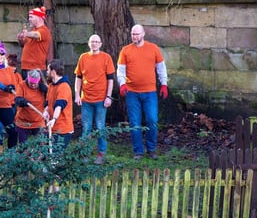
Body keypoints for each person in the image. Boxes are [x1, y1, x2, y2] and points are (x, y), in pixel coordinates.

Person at [117, 24, 168, 160]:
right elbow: (121, 70)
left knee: (152, 120)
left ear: (143, 34)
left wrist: (164, 84)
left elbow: (161, 68)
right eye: (133, 34)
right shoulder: (125, 51)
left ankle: (151, 148)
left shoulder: (153, 49)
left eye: (137, 34)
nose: (135, 36)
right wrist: (122, 84)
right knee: (134, 123)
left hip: (150, 92)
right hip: (132, 93)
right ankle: (138, 151)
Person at [74, 35, 115, 165]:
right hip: (86, 99)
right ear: (88, 43)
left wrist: (108, 96)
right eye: (92, 41)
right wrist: (77, 94)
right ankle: (84, 153)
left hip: (101, 100)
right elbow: (78, 77)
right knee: (86, 128)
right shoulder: (83, 57)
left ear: (101, 44)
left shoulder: (106, 58)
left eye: (97, 42)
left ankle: (101, 153)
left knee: (100, 127)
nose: (94, 44)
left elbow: (110, 79)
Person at [42, 59, 74, 151]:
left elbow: (59, 106)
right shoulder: (51, 85)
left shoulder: (64, 87)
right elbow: (48, 102)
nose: (46, 72)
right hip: (51, 127)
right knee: (43, 153)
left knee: (55, 156)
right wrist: (45, 111)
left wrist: (54, 119)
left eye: (48, 70)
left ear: (53, 71)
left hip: (62, 129)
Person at [17, 6, 51, 79]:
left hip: (36, 69)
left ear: (39, 17)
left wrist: (26, 34)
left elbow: (36, 35)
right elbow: (23, 45)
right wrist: (20, 39)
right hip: (25, 67)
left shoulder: (44, 30)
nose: (29, 19)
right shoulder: (32, 30)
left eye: (31, 17)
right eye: (29, 17)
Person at [14, 69, 47, 143]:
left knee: (41, 145)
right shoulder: (22, 85)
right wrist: (21, 101)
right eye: (31, 83)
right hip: (23, 121)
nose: (33, 85)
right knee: (23, 146)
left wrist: (46, 91)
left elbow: (49, 101)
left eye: (35, 83)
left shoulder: (43, 88)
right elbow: (17, 98)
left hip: (38, 121)